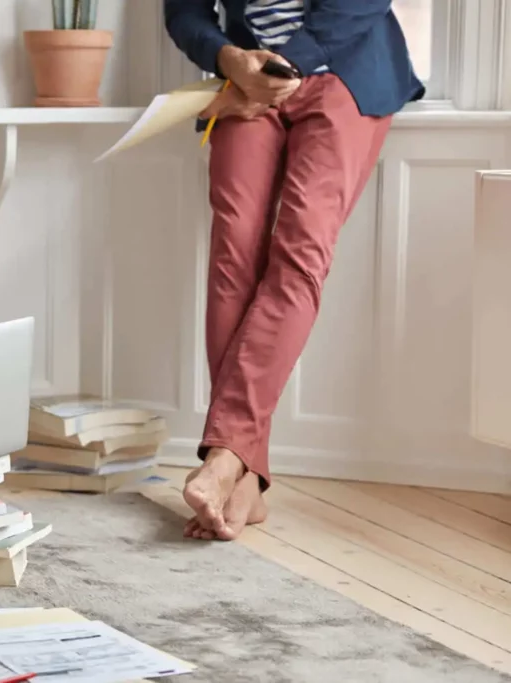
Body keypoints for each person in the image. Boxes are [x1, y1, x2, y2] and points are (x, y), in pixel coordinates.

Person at [162, 1, 424, 541]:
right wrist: (230, 60)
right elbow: (184, 11)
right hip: (248, 79)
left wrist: (280, 67)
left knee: (299, 255)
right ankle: (245, 478)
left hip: (344, 72)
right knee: (231, 260)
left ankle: (224, 460)